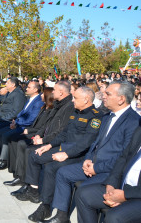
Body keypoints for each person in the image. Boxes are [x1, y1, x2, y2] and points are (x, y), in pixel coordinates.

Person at [46, 81, 140, 223]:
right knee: (63, 173)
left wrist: (96, 168)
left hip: (109, 169)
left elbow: (124, 156)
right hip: (93, 164)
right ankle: (61, 215)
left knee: (84, 190)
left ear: (121, 99)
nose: (103, 96)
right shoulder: (107, 116)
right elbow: (95, 143)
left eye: (108, 93)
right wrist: (88, 160)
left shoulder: (133, 121)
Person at [16, 87, 104, 222]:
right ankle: (34, 191)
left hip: (79, 154)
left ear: (86, 99)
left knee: (52, 168)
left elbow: (86, 143)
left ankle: (47, 206)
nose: (73, 100)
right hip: (64, 149)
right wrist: (49, 145)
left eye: (76, 98)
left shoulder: (95, 116)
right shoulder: (75, 112)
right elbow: (64, 133)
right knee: (35, 154)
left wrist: (66, 154)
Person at [76, 126, 141, 223]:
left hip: (137, 194)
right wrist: (111, 187)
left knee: (114, 217)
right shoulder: (139, 129)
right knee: (83, 194)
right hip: (123, 187)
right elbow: (123, 159)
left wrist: (125, 195)